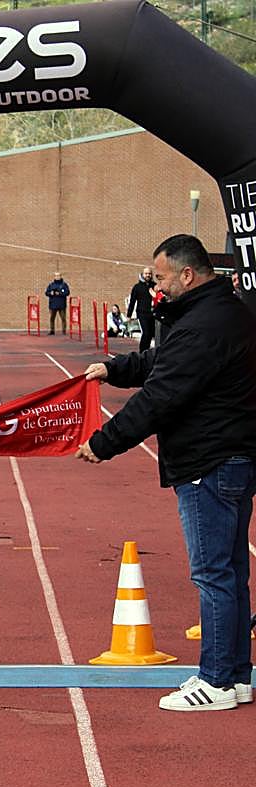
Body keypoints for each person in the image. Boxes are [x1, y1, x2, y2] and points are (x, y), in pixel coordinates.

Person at [76, 234, 256, 712]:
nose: (156, 286)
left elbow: (164, 394)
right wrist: (115, 369)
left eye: (160, 278)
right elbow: (164, 363)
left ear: (187, 275)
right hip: (232, 457)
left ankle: (215, 680)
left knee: (213, 574)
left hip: (207, 462)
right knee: (232, 572)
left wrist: (104, 441)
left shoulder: (203, 324)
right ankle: (236, 677)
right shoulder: (225, 313)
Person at [128, 266, 157, 351]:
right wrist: (129, 315)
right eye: (146, 273)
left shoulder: (154, 286)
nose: (148, 275)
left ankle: (147, 351)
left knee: (151, 334)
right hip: (142, 313)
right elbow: (132, 301)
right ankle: (142, 352)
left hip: (152, 313)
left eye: (149, 273)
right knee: (146, 333)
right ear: (142, 274)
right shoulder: (137, 287)